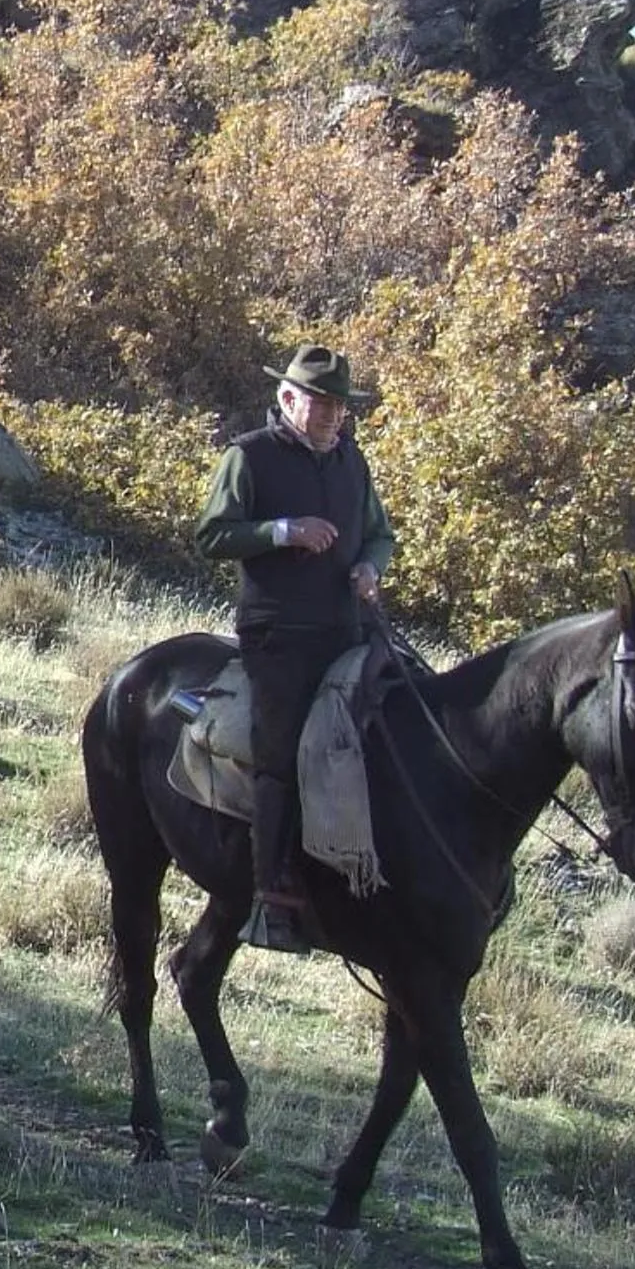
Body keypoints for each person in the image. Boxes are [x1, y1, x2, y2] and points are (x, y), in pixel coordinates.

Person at [193, 344, 395, 954]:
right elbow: (211, 534)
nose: (335, 416)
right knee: (281, 754)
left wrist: (369, 569)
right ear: (288, 399)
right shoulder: (248, 456)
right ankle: (270, 896)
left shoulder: (353, 462)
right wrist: (284, 533)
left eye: (342, 406)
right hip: (277, 634)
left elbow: (381, 536)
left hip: (348, 629)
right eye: (323, 403)